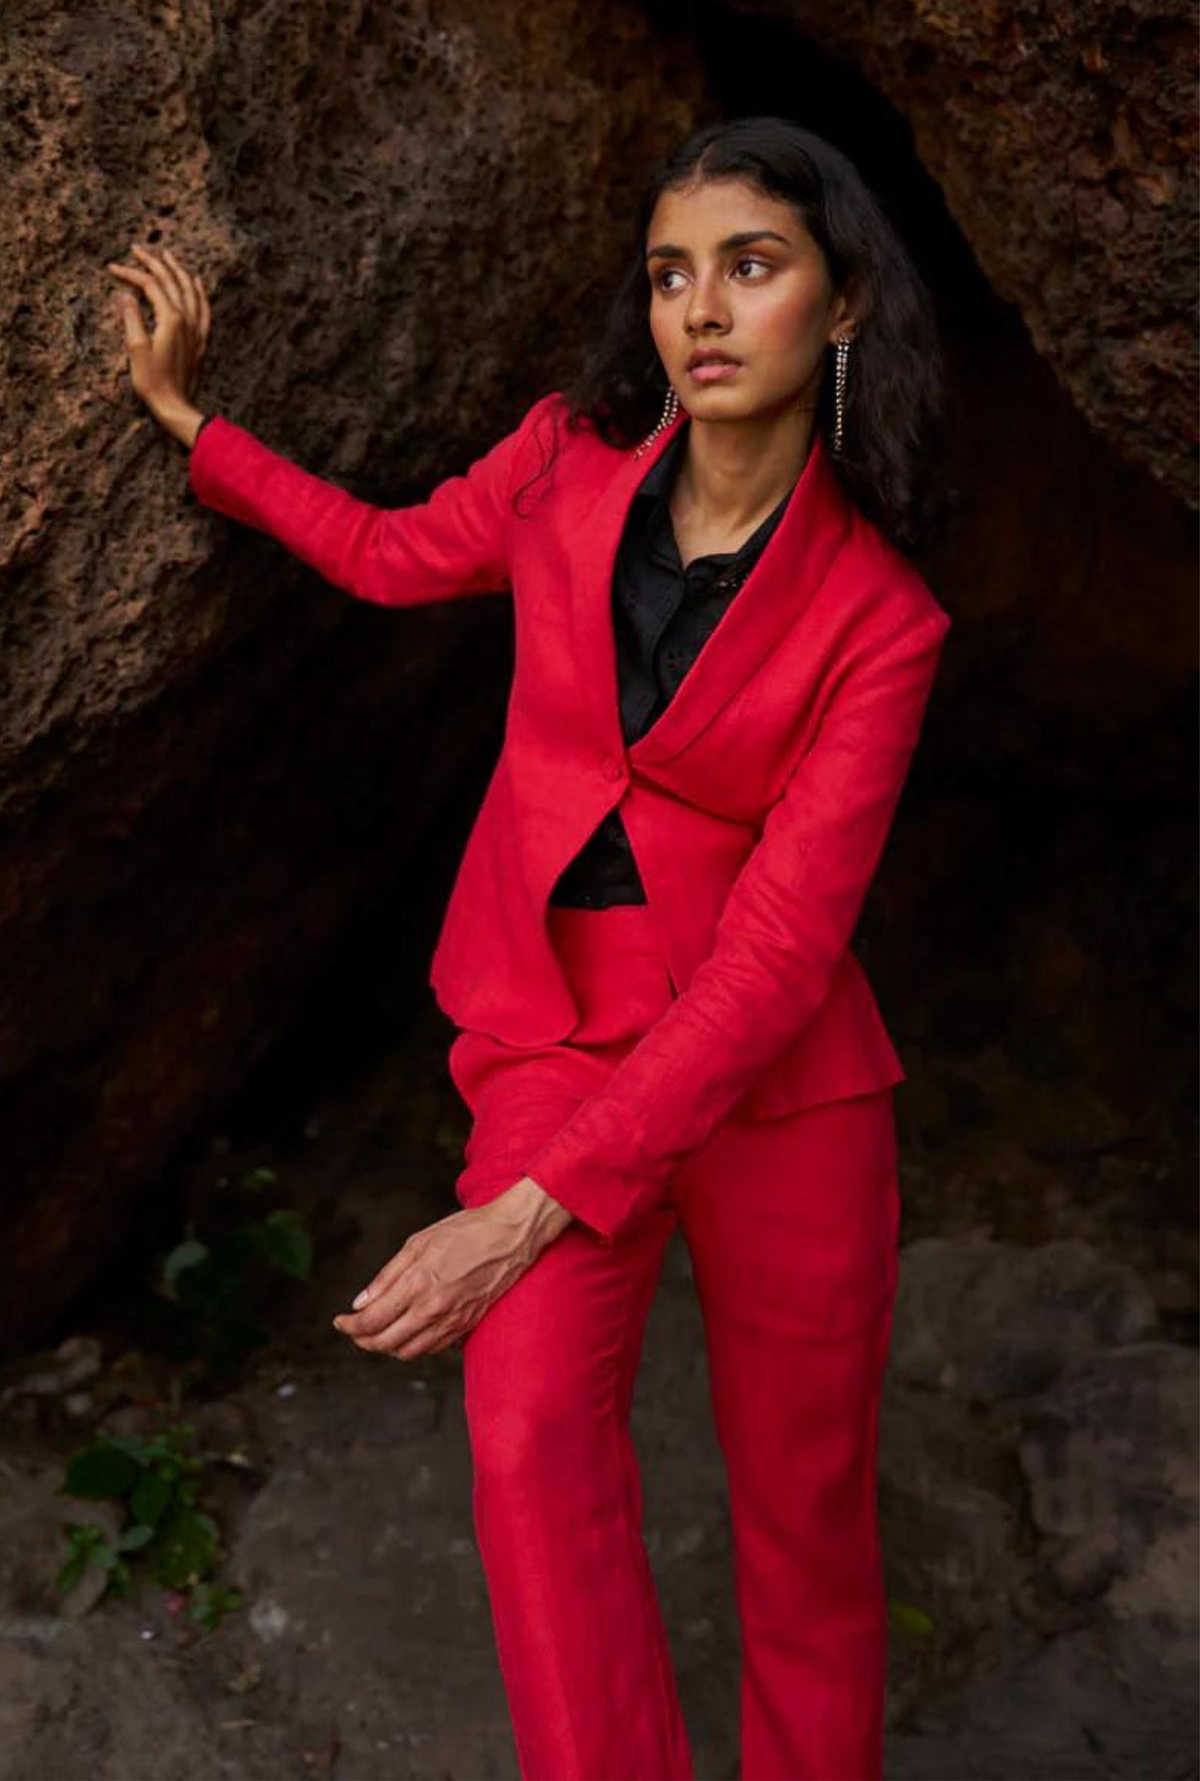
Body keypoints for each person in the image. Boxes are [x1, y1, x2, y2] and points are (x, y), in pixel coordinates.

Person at [107, 115, 952, 1781]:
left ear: (842, 305)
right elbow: (392, 546)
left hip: (780, 1096)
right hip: (552, 1035)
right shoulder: (569, 461)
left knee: (806, 1537)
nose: (702, 311)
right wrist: (200, 428)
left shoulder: (884, 620)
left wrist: (524, 1214)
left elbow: (779, 964)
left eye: (753, 268)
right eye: (671, 274)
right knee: (528, 1446)